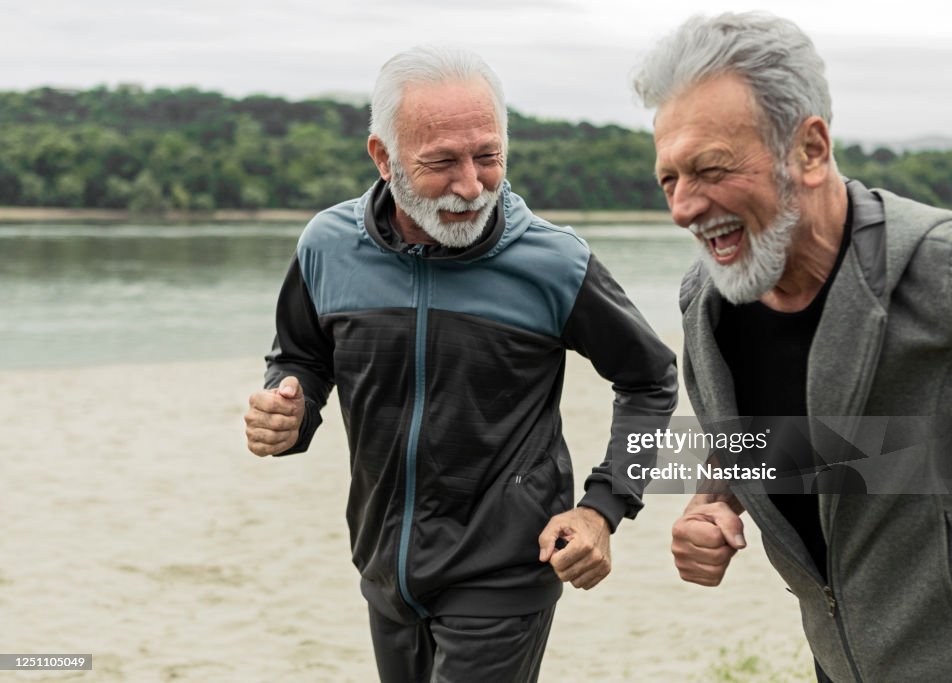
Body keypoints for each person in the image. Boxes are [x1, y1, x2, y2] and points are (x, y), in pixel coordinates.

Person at [244, 45, 677, 682]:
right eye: (442, 162)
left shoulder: (555, 264)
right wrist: (289, 411)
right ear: (382, 157)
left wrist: (603, 506)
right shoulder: (326, 247)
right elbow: (301, 358)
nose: (471, 186)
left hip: (505, 569)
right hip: (382, 567)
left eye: (489, 156)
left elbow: (650, 378)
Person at [631, 12, 952, 683]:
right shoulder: (708, 301)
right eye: (670, 178)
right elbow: (761, 436)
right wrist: (713, 499)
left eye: (711, 168)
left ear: (809, 150)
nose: (684, 207)